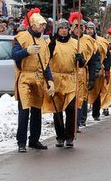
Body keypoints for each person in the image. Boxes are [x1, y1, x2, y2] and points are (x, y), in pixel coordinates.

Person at [12, 8, 54, 152]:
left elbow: (46, 64)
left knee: (37, 111)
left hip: (39, 78)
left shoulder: (43, 41)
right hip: (25, 77)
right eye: (41, 25)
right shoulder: (21, 37)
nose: (44, 27)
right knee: (24, 111)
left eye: (44, 25)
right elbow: (15, 55)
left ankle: (34, 140)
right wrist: (27, 51)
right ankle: (21, 142)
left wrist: (50, 80)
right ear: (34, 25)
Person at [44, 19, 85, 148]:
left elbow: (82, 63)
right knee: (57, 110)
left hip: (71, 79)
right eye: (61, 28)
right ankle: (60, 136)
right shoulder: (52, 42)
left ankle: (69, 137)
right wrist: (49, 49)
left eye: (66, 28)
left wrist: (80, 60)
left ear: (69, 30)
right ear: (57, 30)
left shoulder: (75, 43)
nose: (63, 30)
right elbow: (45, 60)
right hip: (56, 79)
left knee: (71, 108)